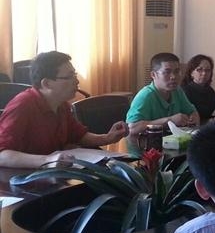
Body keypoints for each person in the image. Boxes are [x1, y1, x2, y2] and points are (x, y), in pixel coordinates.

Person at [0, 51, 128, 168]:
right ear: (47, 83)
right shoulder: (22, 105)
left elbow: (79, 136)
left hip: (54, 175)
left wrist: (107, 138)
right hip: (22, 179)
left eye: (75, 75)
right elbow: (2, 154)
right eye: (69, 77)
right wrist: (47, 161)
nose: (77, 81)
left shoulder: (62, 105)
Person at [126, 53, 199, 135]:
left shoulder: (177, 91)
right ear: (153, 75)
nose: (173, 77)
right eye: (167, 72)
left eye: (176, 71)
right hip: (148, 142)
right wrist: (169, 120)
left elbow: (192, 112)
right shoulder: (145, 95)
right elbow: (132, 128)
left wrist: (193, 118)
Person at [181, 54, 215, 122]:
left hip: (208, 125)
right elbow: (188, 118)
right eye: (199, 69)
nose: (204, 73)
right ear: (191, 73)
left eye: (208, 70)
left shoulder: (209, 90)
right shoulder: (185, 91)